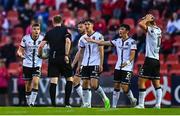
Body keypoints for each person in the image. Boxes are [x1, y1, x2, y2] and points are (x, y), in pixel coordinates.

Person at [86, 24, 137, 108]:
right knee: (116, 86)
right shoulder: (117, 41)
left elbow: (132, 55)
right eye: (120, 29)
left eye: (122, 29)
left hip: (127, 67)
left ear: (127, 31)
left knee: (124, 87)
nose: (120, 31)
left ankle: (132, 98)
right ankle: (114, 106)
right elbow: (104, 43)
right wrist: (92, 40)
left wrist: (127, 63)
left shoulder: (132, 42)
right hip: (118, 67)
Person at [38, 15, 73, 107]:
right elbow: (68, 41)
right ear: (62, 21)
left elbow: (41, 45)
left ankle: (53, 104)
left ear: (53, 22)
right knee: (69, 79)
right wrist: (66, 54)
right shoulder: (65, 30)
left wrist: (40, 55)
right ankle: (67, 103)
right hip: (63, 58)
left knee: (54, 81)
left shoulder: (49, 33)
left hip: (53, 58)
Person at [76, 19, 110, 108]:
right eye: (85, 24)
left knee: (94, 85)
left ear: (92, 25)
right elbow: (81, 53)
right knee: (84, 83)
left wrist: (101, 64)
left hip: (95, 63)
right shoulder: (82, 38)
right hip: (85, 64)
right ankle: (87, 104)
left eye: (88, 24)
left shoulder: (98, 36)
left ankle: (105, 98)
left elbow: (101, 51)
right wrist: (79, 65)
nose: (87, 26)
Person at [135, 14, 162, 109]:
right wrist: (148, 20)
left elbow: (140, 24)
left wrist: (146, 19)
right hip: (157, 60)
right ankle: (158, 105)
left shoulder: (152, 30)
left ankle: (141, 104)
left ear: (149, 22)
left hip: (150, 59)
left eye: (146, 21)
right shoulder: (158, 30)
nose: (145, 21)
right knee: (156, 83)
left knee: (141, 81)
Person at [17, 23, 44, 106]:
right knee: (28, 85)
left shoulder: (43, 39)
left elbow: (46, 50)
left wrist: (45, 55)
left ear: (40, 30)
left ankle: (32, 103)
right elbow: (19, 50)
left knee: (35, 82)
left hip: (37, 64)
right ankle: (29, 103)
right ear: (31, 30)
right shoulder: (25, 38)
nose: (36, 31)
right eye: (34, 29)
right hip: (27, 64)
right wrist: (20, 54)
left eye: (38, 29)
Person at [71, 21, 86, 106]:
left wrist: (73, 64)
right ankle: (85, 102)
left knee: (89, 85)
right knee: (76, 82)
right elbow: (78, 52)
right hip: (82, 62)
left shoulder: (87, 37)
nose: (79, 29)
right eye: (78, 27)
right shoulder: (79, 37)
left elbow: (79, 53)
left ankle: (86, 102)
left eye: (81, 27)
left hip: (88, 63)